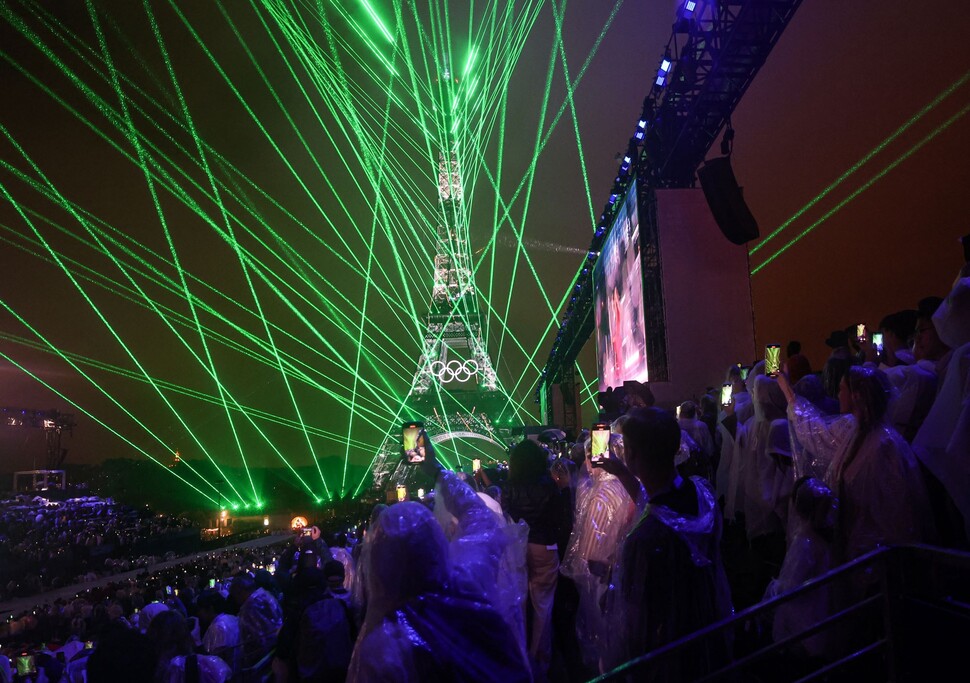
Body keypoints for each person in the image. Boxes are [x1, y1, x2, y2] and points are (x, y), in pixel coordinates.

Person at [347, 436, 531, 682]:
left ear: (377, 565)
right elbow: (477, 515)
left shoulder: (382, 649)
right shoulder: (468, 583)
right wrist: (436, 471)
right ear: (435, 542)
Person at [603, 407, 732, 679]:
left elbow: (637, 625)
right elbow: (663, 502)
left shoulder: (643, 539)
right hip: (711, 634)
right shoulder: (702, 493)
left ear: (633, 455)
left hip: (671, 658)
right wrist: (626, 475)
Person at [779, 366, 934, 563]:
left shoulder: (884, 444)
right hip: (858, 548)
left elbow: (897, 510)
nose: (837, 394)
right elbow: (817, 433)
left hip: (877, 555)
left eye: (842, 389)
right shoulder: (852, 430)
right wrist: (786, 389)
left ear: (856, 395)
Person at [561, 433, 634, 672]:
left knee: (606, 647)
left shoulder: (602, 495)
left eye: (589, 457)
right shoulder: (627, 485)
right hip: (621, 579)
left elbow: (590, 554)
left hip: (603, 581)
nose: (587, 464)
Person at [502, 438, 563, 680]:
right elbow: (558, 518)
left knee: (519, 603)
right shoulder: (549, 485)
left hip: (518, 547)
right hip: (544, 546)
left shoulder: (510, 487)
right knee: (542, 607)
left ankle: (518, 659)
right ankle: (539, 663)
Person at [229, 573, 283, 670]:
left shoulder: (249, 608)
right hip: (279, 647)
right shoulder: (265, 594)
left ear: (239, 591)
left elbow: (257, 640)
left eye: (235, 596)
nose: (236, 600)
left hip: (264, 661)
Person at [196, 589, 240, 675]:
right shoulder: (231, 618)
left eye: (200, 610)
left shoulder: (217, 628)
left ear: (210, 608)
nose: (198, 614)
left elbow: (216, 662)